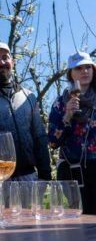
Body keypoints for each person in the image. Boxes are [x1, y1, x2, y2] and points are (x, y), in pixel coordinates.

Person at [0, 41, 51, 181]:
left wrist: (45, 174)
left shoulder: (28, 96)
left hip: (29, 178)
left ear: (13, 61)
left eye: (5, 57)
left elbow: (39, 136)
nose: (1, 62)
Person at [48, 51, 96, 214]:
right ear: (70, 74)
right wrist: (67, 115)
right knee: (78, 220)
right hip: (72, 170)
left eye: (88, 67)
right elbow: (53, 142)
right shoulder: (60, 103)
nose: (84, 71)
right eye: (78, 68)